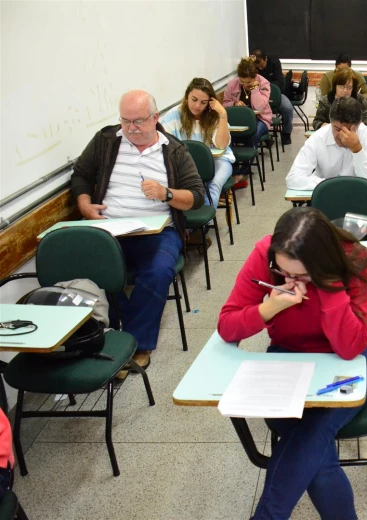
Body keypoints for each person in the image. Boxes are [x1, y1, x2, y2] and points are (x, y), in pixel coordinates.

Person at [217, 206, 367, 520]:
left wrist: (330, 288)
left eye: (302, 275)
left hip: (348, 366)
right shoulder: (267, 253)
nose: (291, 280)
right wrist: (269, 308)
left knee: (311, 436)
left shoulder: (356, 259)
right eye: (283, 273)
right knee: (315, 453)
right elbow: (227, 325)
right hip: (286, 359)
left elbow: (350, 347)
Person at [71, 90, 205, 371]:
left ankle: (134, 344)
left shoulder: (174, 151)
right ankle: (118, 337)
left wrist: (166, 193)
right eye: (125, 120)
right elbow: (81, 174)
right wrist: (84, 205)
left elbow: (196, 197)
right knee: (96, 269)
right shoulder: (106, 141)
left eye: (139, 121)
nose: (131, 128)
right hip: (109, 229)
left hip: (158, 231)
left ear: (155, 118)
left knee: (157, 271)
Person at [161, 78, 235, 210]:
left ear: (210, 103)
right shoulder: (174, 115)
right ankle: (183, 223)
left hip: (218, 160)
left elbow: (222, 145)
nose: (197, 106)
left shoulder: (214, 116)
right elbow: (163, 143)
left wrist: (223, 114)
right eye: (194, 99)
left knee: (213, 184)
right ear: (186, 96)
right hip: (186, 164)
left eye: (203, 102)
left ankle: (205, 221)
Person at [286, 97, 367, 190]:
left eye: (349, 130)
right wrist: (330, 185)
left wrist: (357, 149)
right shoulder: (318, 137)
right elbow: (293, 178)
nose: (342, 135)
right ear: (330, 122)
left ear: (359, 124)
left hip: (358, 196)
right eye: (337, 129)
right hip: (326, 195)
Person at [222, 57, 273, 149]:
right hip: (238, 119)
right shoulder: (232, 84)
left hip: (260, 119)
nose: (245, 85)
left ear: (255, 77)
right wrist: (234, 103)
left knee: (253, 134)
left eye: (249, 82)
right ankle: (233, 160)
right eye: (242, 82)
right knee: (227, 135)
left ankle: (247, 162)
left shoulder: (264, 83)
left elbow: (259, 108)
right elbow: (224, 105)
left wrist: (255, 89)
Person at [252, 49, 293, 145]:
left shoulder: (274, 62)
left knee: (288, 108)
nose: (261, 69)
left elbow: (280, 83)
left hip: (275, 95)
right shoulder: (252, 66)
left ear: (265, 59)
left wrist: (264, 85)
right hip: (258, 96)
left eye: (262, 66)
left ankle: (286, 133)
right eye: (258, 68)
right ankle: (264, 136)